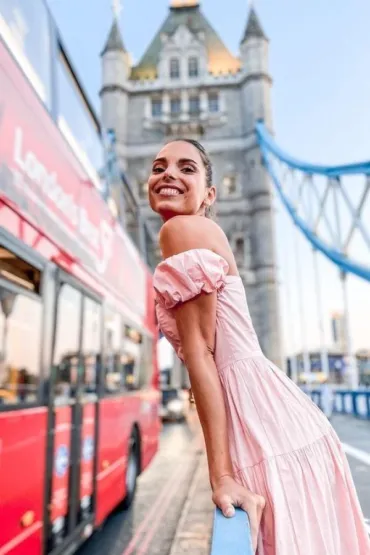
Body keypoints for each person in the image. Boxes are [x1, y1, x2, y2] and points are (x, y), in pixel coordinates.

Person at [149, 138, 370, 554]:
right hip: (278, 417)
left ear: (209, 195)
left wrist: (222, 477)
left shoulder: (179, 230)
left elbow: (201, 355)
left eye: (187, 168)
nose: (169, 174)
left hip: (262, 424)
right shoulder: (195, 233)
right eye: (159, 167)